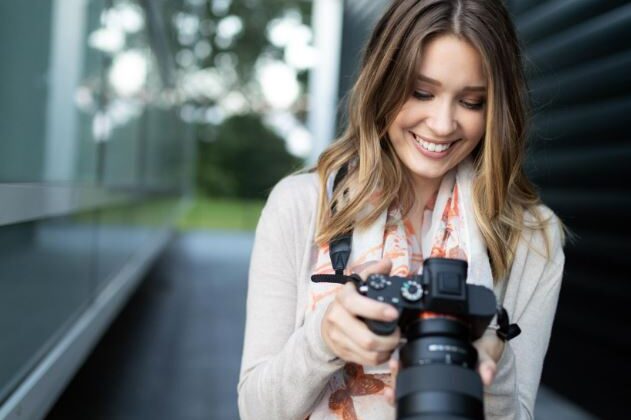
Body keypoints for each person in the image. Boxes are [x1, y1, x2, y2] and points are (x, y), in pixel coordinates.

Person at [238, 0, 565, 419]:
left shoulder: (533, 237)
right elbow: (255, 411)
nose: (443, 124)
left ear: (497, 108)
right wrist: (322, 339)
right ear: (383, 83)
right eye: (421, 92)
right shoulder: (301, 206)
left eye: (471, 102)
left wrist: (494, 364)